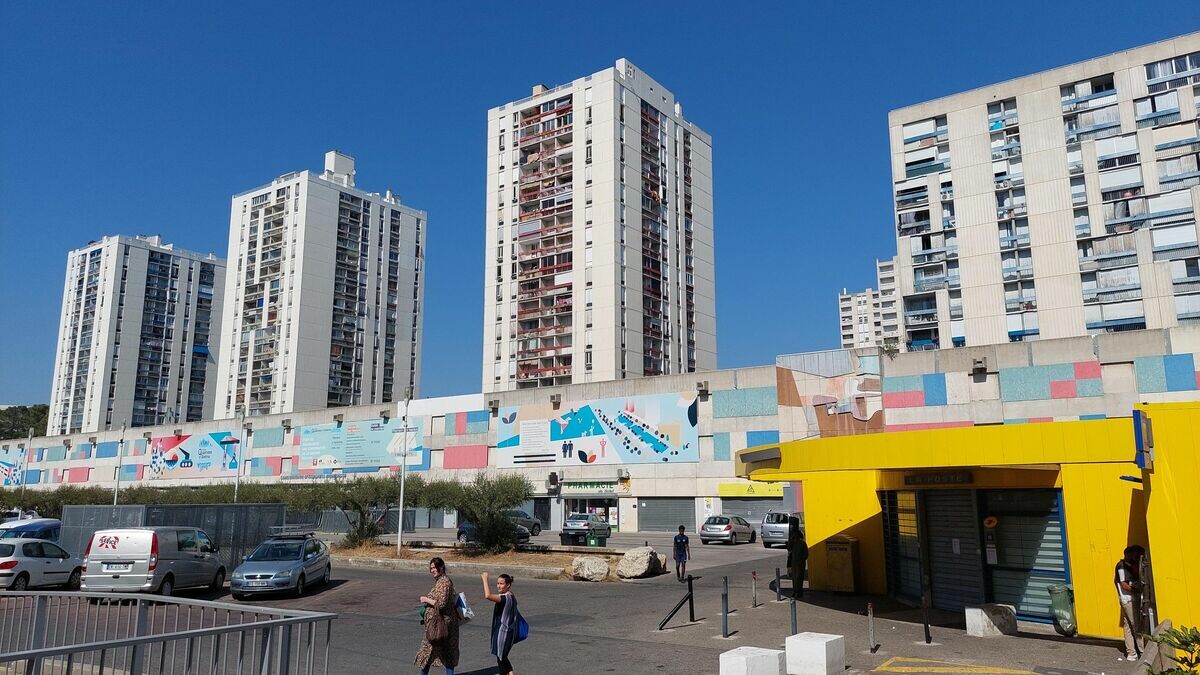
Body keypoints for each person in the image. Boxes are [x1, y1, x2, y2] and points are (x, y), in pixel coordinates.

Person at [415, 557, 459, 674]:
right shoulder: (441, 581)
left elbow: (441, 604)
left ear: (441, 567)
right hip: (439, 622)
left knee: (430, 650)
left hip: (441, 624)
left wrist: (426, 599)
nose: (433, 570)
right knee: (444, 652)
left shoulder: (444, 582)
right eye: (431, 568)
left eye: (435, 567)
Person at [482, 572, 518, 675]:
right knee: (502, 656)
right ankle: (511, 673)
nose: (498, 586)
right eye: (497, 583)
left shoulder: (504, 599)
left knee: (501, 658)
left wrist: (485, 580)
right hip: (508, 632)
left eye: (501, 583)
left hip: (503, 632)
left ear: (508, 585)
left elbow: (488, 595)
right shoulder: (510, 595)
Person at [1115, 545, 1145, 662]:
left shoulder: (1128, 566)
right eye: (1136, 555)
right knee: (1136, 626)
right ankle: (1143, 652)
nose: (1137, 557)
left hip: (1127, 599)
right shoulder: (1121, 566)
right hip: (1128, 600)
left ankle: (1131, 653)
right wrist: (1137, 590)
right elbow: (1124, 584)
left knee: (1127, 626)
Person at [786, 516, 808, 599]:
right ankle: (795, 590)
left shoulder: (802, 544)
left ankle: (799, 591)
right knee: (794, 578)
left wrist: (801, 560)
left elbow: (806, 554)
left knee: (799, 578)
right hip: (794, 563)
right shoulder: (793, 544)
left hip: (800, 564)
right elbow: (789, 551)